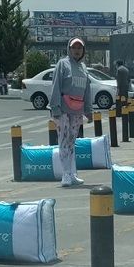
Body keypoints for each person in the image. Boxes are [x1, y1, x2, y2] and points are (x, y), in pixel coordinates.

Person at [49, 38, 93, 187]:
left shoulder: (83, 68)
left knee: (72, 142)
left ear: (83, 50)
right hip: (62, 110)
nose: (77, 50)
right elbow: (56, 86)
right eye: (74, 47)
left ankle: (72, 173)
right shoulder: (62, 64)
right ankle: (65, 174)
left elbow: (87, 91)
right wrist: (55, 108)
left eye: (80, 48)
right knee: (63, 140)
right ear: (69, 48)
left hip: (77, 110)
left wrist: (88, 110)